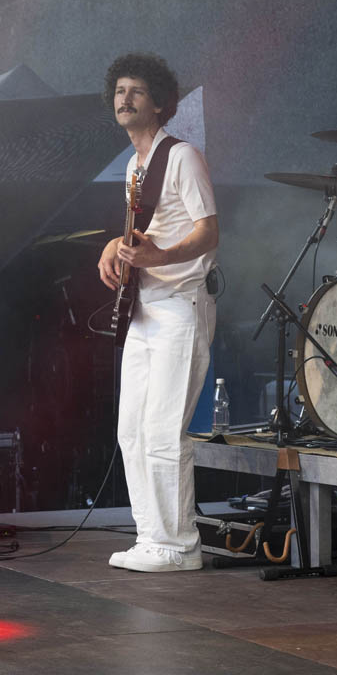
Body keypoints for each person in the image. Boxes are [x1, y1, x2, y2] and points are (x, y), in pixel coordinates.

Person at [96, 52, 218, 573]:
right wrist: (115, 246)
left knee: (165, 430)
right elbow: (145, 234)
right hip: (145, 308)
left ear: (161, 104)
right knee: (132, 430)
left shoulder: (183, 156)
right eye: (120, 91)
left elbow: (208, 231)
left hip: (181, 305)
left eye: (137, 92)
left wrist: (159, 258)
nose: (125, 99)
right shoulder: (134, 165)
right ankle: (151, 537)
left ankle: (179, 545)